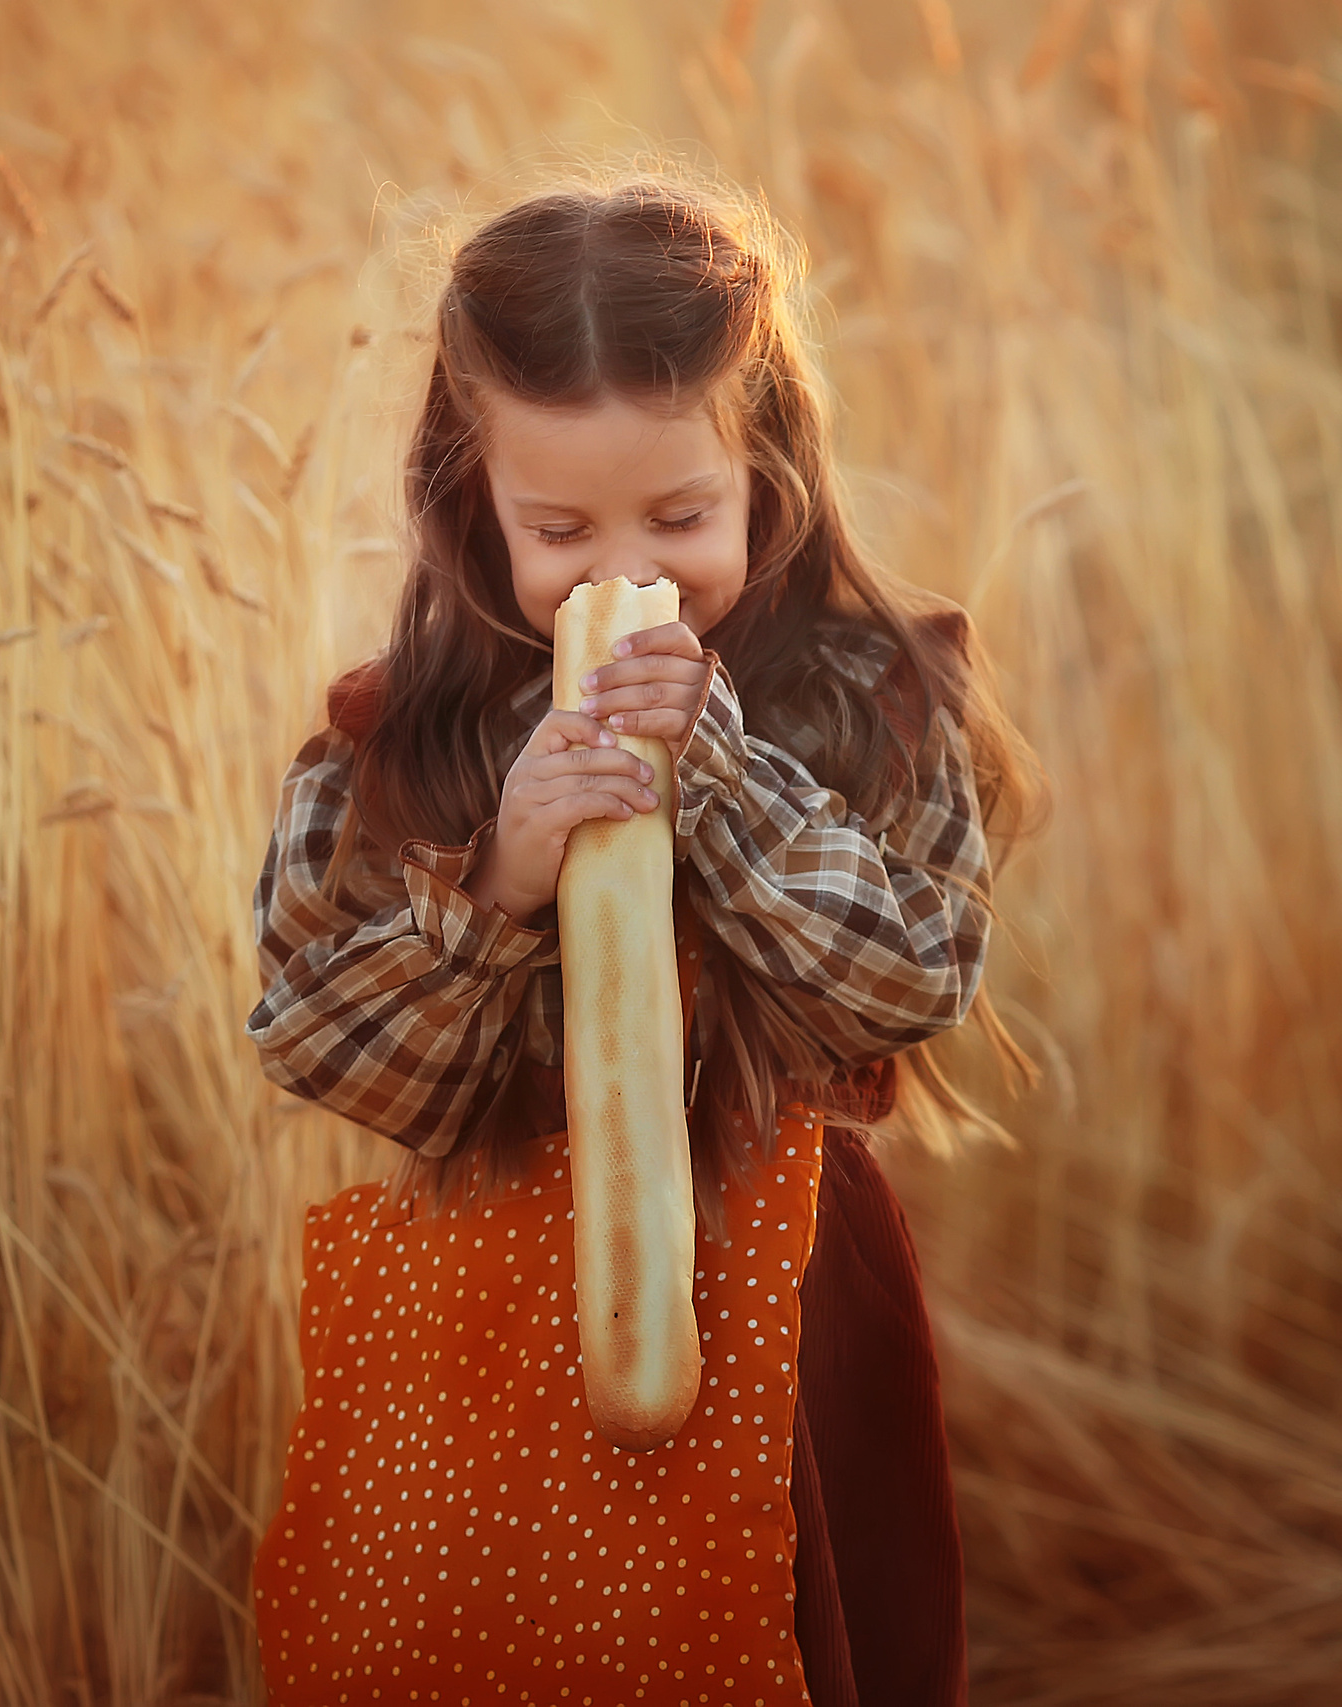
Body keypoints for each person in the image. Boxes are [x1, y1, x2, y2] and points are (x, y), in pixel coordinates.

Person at [246, 174, 1046, 1707]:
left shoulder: (873, 699)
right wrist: (499, 883)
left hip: (786, 1298)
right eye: (559, 528)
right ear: (472, 498)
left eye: (682, 517)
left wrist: (726, 783)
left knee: (782, 1649)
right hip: (486, 1309)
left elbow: (911, 980)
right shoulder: (393, 744)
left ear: (766, 471)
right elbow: (318, 1045)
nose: (631, 568)